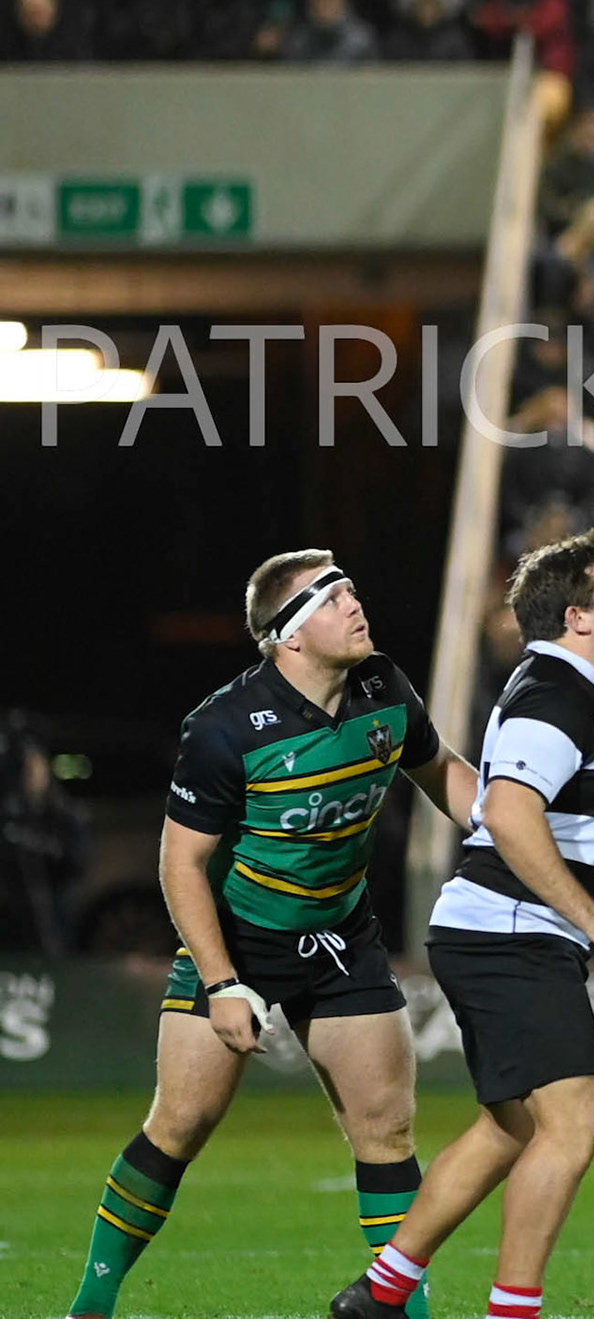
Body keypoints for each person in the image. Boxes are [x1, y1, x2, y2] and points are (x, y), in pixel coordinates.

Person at [68, 552, 478, 1319]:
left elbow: (443, 771)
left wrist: (511, 828)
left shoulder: (383, 686)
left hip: (341, 935)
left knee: (386, 1130)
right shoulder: (224, 729)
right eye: (335, 597)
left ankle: (407, 1314)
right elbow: (181, 865)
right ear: (288, 634)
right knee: (181, 1124)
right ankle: (91, 1303)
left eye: (354, 587)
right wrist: (222, 982)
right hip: (239, 944)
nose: (357, 604)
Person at [330, 532, 594, 1319]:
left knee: (510, 1126)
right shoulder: (554, 694)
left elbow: (563, 823)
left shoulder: (568, 691)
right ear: (576, 616)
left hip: (496, 930)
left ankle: (379, 1293)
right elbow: (507, 814)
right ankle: (512, 1310)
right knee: (574, 1118)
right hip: (509, 933)